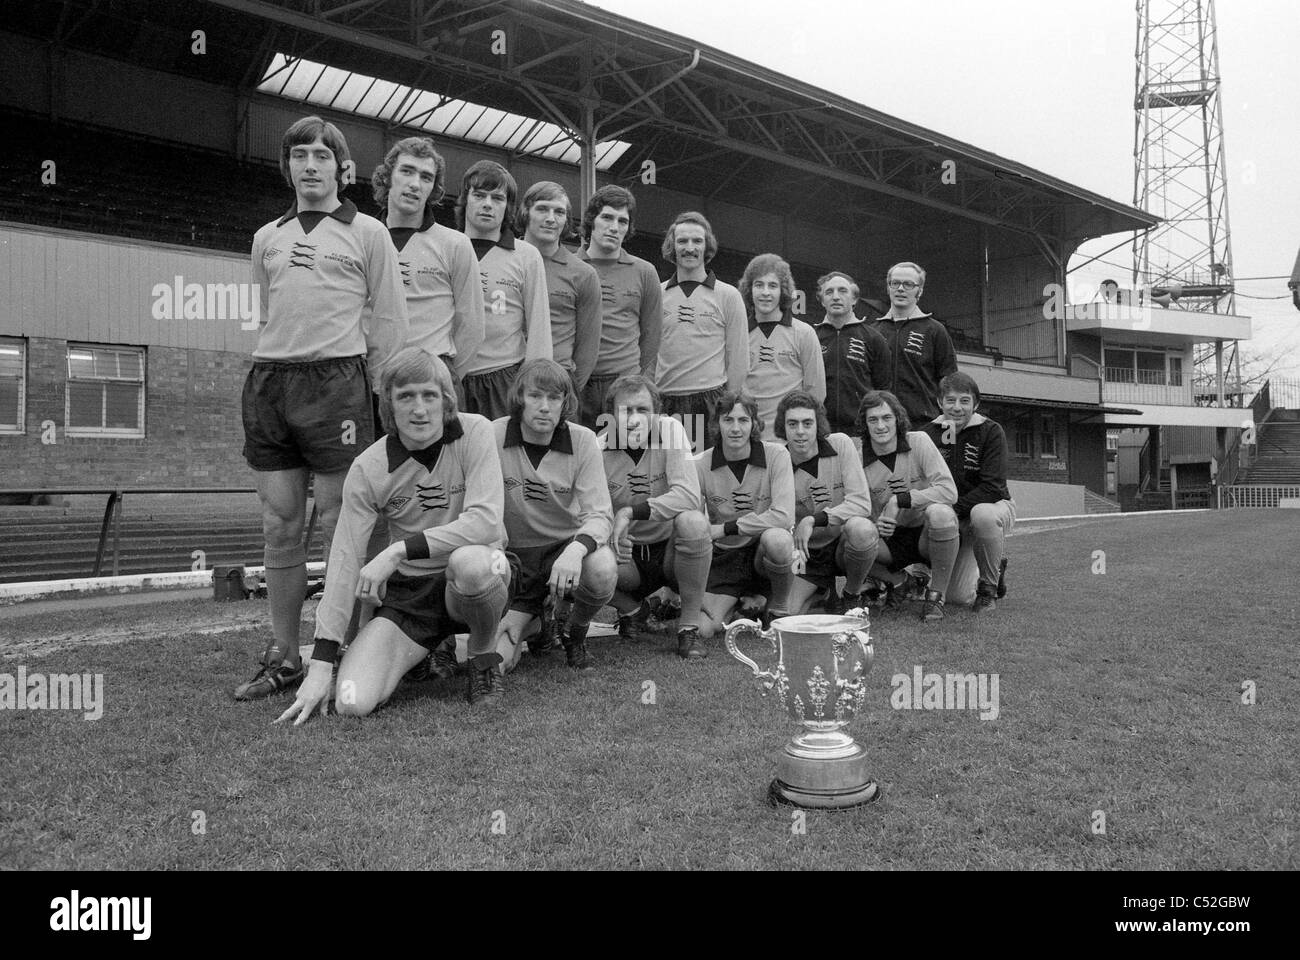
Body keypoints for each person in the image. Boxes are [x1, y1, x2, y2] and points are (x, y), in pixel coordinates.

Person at [234, 115, 407, 701]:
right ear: (288, 165)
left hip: (339, 385)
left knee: (341, 521)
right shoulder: (266, 237)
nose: (311, 165)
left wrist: (384, 395)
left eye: (322, 156)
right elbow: (267, 311)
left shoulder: (370, 233)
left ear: (341, 167)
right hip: (272, 383)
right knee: (279, 523)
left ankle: (340, 650)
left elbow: (387, 323)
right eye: (300, 154)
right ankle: (283, 653)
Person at [274, 349, 514, 719]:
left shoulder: (476, 431)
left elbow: (485, 522)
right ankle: (423, 650)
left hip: (474, 573)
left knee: (473, 564)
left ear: (446, 399)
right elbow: (344, 560)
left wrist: (396, 551)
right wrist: (321, 663)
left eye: (429, 395)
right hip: (411, 594)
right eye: (406, 396)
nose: (419, 409)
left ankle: (483, 660)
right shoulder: (368, 468)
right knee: (353, 701)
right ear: (389, 403)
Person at [492, 359, 617, 674]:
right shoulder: (492, 435)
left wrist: (575, 551)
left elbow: (600, 514)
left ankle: (575, 631)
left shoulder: (583, 440)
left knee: (602, 568)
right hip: (513, 559)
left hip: (562, 550)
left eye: (554, 398)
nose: (545, 407)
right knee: (497, 664)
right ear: (520, 398)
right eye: (535, 396)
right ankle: (534, 623)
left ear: (566, 402)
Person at [599, 375, 713, 659]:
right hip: (628, 559)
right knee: (579, 554)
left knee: (694, 522)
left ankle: (688, 629)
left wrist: (631, 511)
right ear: (611, 415)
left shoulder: (672, 430)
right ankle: (633, 610)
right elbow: (588, 512)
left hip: (671, 552)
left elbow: (688, 495)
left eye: (643, 410)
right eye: (626, 410)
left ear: (657, 413)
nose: (634, 419)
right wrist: (610, 533)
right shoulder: (597, 447)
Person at [371, 136, 484, 387]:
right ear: (388, 177)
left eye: (426, 177)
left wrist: (446, 377)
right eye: (407, 171)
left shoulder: (455, 244)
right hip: (371, 382)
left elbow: (472, 327)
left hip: (433, 379)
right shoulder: (362, 238)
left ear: (434, 187)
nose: (415, 184)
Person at [695, 392, 796, 641]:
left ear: (754, 424)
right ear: (716, 424)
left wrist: (727, 528)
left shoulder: (776, 455)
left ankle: (778, 609)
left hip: (762, 553)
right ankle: (742, 607)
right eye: (728, 420)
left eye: (743, 420)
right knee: (703, 629)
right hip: (725, 557)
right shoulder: (700, 463)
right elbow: (694, 526)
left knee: (779, 540)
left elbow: (784, 516)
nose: (736, 428)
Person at [456, 160, 551, 420]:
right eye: (479, 195)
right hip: (449, 375)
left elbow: (539, 329)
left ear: (508, 207)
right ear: (465, 199)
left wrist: (535, 387)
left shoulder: (526, 256)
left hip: (502, 378)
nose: (487, 203)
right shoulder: (446, 245)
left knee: (501, 457)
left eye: (497, 198)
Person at [857, 389, 959, 622]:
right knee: (848, 537)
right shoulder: (857, 456)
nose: (880, 426)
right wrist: (874, 521)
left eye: (886, 418)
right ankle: (899, 581)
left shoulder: (919, 441)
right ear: (864, 423)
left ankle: (936, 595)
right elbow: (854, 505)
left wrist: (899, 500)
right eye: (873, 419)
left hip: (926, 535)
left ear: (897, 419)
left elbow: (948, 491)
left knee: (941, 513)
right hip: (888, 541)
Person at [776, 391, 878, 616]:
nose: (800, 431)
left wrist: (814, 519)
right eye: (792, 424)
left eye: (807, 423)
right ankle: (824, 594)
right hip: (805, 551)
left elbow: (861, 503)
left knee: (861, 529)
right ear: (783, 428)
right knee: (788, 614)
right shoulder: (778, 462)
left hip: (843, 541)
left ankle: (851, 595)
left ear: (818, 424)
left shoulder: (841, 444)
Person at [921, 372, 1014, 612]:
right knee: (957, 597)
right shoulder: (927, 435)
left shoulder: (991, 431)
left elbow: (992, 487)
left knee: (982, 515)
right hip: (952, 516)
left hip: (990, 508)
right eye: (950, 400)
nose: (957, 408)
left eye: (965, 400)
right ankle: (992, 564)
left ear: (976, 404)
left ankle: (988, 589)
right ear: (940, 402)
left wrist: (954, 509)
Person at [577, 185, 663, 429]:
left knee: (623, 460)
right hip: (579, 384)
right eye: (607, 217)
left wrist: (633, 379)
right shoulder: (570, 267)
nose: (614, 227)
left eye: (622, 221)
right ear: (591, 220)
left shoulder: (645, 272)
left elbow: (652, 336)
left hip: (625, 384)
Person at [656, 211, 747, 434]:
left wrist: (727, 406)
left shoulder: (729, 295)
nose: (690, 248)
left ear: (707, 246)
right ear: (672, 246)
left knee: (707, 468)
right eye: (682, 241)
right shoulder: (657, 294)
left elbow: (738, 359)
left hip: (711, 402)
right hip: (665, 401)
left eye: (697, 241)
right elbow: (648, 356)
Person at [516, 181, 601, 401]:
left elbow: (588, 349)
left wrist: (567, 389)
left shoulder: (583, 274)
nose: (551, 218)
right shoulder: (505, 260)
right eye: (543, 209)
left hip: (557, 383)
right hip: (505, 377)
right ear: (526, 212)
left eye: (559, 212)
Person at [740, 253, 825, 440]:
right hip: (748, 440)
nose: (765, 293)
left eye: (773, 285)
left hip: (790, 442)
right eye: (759, 285)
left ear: (783, 290)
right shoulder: (737, 334)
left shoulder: (804, 333)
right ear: (749, 289)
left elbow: (816, 394)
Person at [871, 262, 959, 427]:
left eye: (909, 284)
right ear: (888, 288)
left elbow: (949, 384)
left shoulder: (935, 330)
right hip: (881, 425)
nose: (901, 289)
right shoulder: (873, 332)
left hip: (924, 425)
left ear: (920, 291)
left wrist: (949, 435)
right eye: (895, 283)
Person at [815, 270, 888, 439]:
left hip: (860, 432)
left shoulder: (874, 338)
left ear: (854, 299)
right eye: (829, 292)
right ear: (822, 301)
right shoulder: (811, 337)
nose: (835, 297)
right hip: (821, 431)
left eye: (842, 291)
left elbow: (883, 389)